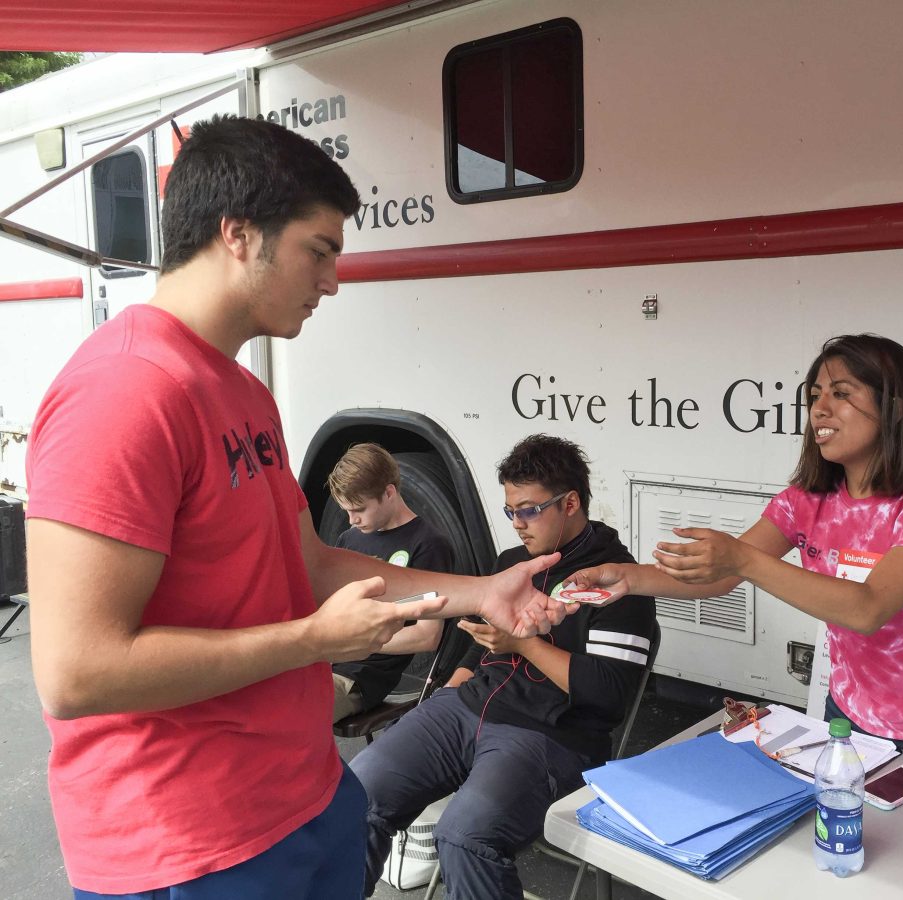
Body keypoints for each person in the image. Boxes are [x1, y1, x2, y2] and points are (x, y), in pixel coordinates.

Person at [23, 115, 564, 900]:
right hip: (191, 842)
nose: (333, 280)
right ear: (238, 233)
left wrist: (483, 593)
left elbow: (304, 562)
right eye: (320, 249)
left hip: (302, 797)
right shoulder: (123, 391)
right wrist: (313, 641)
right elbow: (77, 672)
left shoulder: (241, 390)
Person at [571, 334, 903, 775]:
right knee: (849, 839)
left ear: (894, 408)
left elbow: (868, 608)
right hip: (848, 718)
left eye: (841, 394)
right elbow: (721, 577)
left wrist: (743, 558)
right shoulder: (806, 500)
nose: (819, 408)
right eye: (815, 395)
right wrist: (626, 578)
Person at [351, 434, 657, 899]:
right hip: (465, 707)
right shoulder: (514, 562)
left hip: (548, 735)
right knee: (354, 795)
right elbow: (477, 644)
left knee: (464, 837)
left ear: (570, 503)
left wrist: (523, 643)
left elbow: (608, 694)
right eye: (510, 510)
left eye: (529, 510)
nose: (517, 523)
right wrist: (445, 696)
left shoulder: (619, 580)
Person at [327, 442, 455, 722]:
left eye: (359, 509)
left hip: (359, 677)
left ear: (389, 492)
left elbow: (427, 636)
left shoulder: (428, 544)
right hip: (323, 662)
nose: (352, 519)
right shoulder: (349, 538)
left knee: (288, 718)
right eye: (346, 511)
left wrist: (356, 639)